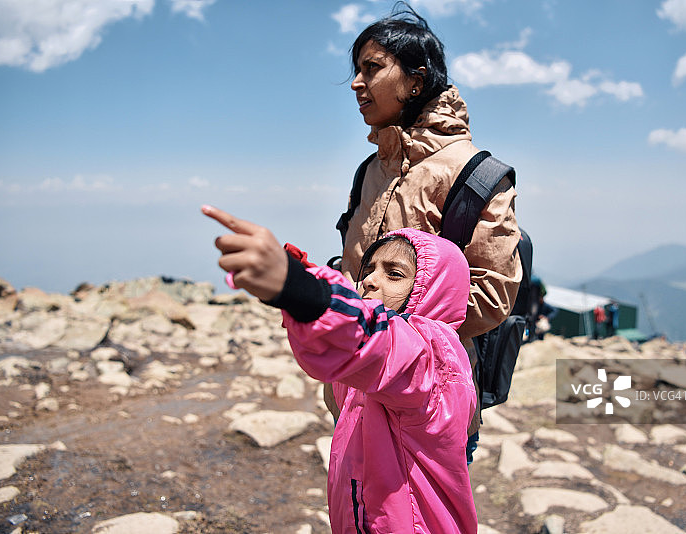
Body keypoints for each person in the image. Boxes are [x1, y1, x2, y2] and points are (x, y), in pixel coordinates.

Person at [203, 204, 478, 534]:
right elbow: (357, 342)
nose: (371, 280)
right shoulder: (373, 366)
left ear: (433, 291)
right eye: (369, 269)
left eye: (394, 274)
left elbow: (376, 343)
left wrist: (296, 286)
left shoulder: (434, 359)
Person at [329, 4, 522, 449]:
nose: (357, 83)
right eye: (356, 70)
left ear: (416, 81)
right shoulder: (370, 170)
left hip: (428, 405)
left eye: (372, 68)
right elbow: (357, 269)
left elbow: (492, 296)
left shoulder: (475, 175)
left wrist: (387, 339)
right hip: (355, 396)